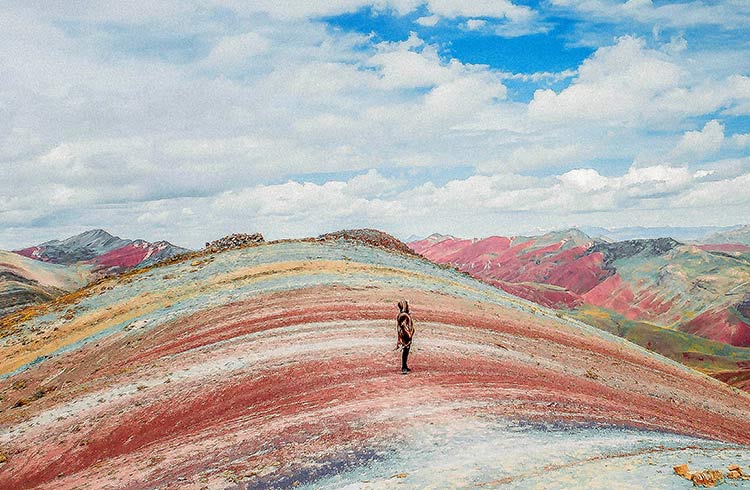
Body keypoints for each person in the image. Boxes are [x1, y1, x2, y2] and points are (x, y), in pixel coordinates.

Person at [396, 300, 414, 374]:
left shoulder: (402, 315)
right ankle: (404, 367)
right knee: (405, 350)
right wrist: (409, 335)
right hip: (405, 336)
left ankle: (405, 366)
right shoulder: (404, 315)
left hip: (405, 335)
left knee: (406, 351)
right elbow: (403, 326)